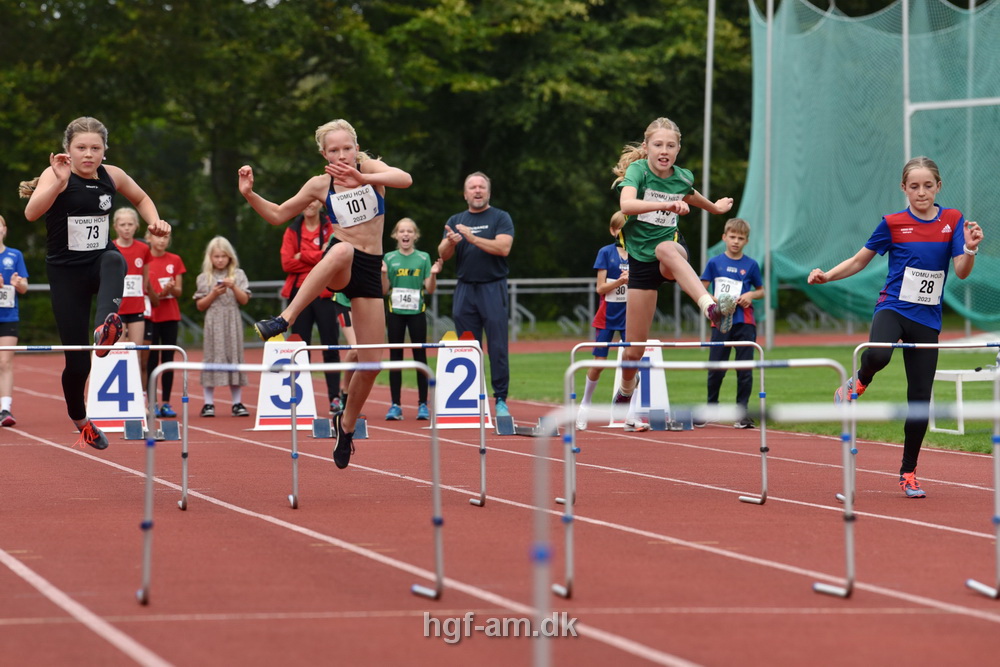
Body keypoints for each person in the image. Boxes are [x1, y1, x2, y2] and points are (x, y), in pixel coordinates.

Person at [238, 118, 412, 469]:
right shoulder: (320, 185)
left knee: (371, 363)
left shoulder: (370, 168)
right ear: (324, 154)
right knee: (342, 249)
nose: (343, 155)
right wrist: (249, 194)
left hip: (369, 270)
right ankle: (284, 318)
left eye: (347, 148)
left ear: (356, 147)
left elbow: (404, 179)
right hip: (341, 263)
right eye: (335, 150)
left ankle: (345, 425)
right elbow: (276, 215)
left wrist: (365, 178)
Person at [808, 156, 984, 499]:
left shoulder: (952, 220)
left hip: (928, 319)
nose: (921, 193)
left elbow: (961, 271)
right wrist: (827, 275)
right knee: (878, 354)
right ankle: (858, 381)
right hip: (893, 307)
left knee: (920, 401)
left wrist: (971, 248)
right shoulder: (892, 223)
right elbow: (860, 259)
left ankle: (908, 472)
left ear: (938, 187)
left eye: (928, 186)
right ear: (903, 188)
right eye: (914, 186)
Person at [19, 116, 171, 449]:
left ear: (104, 150)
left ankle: (106, 328)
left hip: (98, 262)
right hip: (65, 273)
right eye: (81, 148)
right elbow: (31, 213)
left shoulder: (112, 175)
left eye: (95, 148)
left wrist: (155, 221)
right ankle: (82, 420)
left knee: (115, 257)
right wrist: (58, 183)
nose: (88, 154)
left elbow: (142, 199)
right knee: (78, 362)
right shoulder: (55, 173)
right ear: (67, 151)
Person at [611, 117, 737, 426]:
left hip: (671, 258)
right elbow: (626, 205)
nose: (664, 151)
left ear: (678, 149)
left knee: (665, 248)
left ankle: (710, 307)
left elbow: (691, 194)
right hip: (641, 265)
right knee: (633, 353)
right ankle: (627, 388)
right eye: (658, 145)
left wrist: (716, 208)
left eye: (670, 145)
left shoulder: (682, 176)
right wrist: (666, 207)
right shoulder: (638, 172)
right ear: (647, 147)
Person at [437, 172, 514, 418]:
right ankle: (470, 397)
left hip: (493, 287)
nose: (477, 190)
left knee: (498, 347)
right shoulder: (455, 219)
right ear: (465, 193)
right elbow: (443, 254)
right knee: (467, 346)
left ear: (488, 192)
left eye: (482, 187)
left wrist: (472, 237)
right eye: (473, 187)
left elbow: (503, 248)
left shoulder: (500, 217)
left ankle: (500, 399)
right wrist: (450, 242)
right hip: (465, 288)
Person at [699, 218, 765, 429]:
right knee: (716, 367)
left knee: (744, 369)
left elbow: (761, 290)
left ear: (746, 241)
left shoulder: (751, 265)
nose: (736, 241)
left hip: (745, 322)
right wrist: (715, 300)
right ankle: (711, 410)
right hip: (720, 322)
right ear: (724, 238)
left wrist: (750, 295)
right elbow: (701, 288)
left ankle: (742, 414)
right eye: (732, 237)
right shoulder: (714, 262)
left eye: (741, 238)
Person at [281, 198, 344, 415]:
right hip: (299, 293)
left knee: (330, 346)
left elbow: (333, 256)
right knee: (299, 347)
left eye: (313, 202)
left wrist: (304, 256)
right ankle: (301, 398)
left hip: (325, 293)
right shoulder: (292, 230)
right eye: (304, 202)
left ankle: (335, 398)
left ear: (320, 204)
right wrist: (320, 257)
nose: (308, 205)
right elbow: (287, 263)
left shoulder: (331, 227)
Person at [576, 211, 632, 431]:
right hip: (607, 315)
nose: (624, 233)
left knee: (632, 364)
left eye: (629, 228)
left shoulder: (639, 254)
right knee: (599, 363)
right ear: (613, 230)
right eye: (620, 228)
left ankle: (630, 412)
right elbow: (600, 288)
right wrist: (620, 281)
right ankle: (584, 406)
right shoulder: (605, 253)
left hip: (630, 316)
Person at [382, 217, 442, 421]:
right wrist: (382, 273)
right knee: (395, 359)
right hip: (395, 313)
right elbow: (383, 290)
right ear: (395, 235)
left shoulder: (423, 258)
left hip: (417, 313)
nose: (405, 234)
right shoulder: (389, 258)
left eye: (409, 231)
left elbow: (430, 289)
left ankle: (423, 405)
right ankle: (395, 405)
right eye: (402, 231)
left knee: (420, 357)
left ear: (415, 235)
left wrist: (433, 275)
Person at [193, 236, 251, 417]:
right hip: (214, 321)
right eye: (216, 256)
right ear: (210, 258)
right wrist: (213, 294)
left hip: (232, 320)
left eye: (223, 256)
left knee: (234, 356)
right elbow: (200, 305)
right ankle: (208, 403)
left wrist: (233, 287)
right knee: (212, 357)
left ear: (230, 257)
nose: (220, 260)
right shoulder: (204, 278)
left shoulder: (238, 275)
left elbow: (244, 300)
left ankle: (237, 402)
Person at [112, 207, 154, 391]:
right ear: (115, 227)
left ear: (136, 226)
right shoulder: (111, 248)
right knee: (120, 354)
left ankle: (139, 398)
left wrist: (145, 295)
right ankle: (121, 395)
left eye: (130, 224)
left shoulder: (144, 248)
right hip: (118, 309)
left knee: (136, 354)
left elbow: (144, 278)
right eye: (122, 225)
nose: (126, 228)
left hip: (137, 309)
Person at [146, 228, 186, 419]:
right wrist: (161, 291)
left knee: (168, 359)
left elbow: (179, 291)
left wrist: (171, 288)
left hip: (170, 315)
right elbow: (149, 292)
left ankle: (166, 403)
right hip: (151, 316)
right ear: (149, 238)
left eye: (166, 237)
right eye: (158, 236)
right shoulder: (145, 259)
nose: (162, 241)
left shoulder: (175, 260)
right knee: (151, 360)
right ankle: (151, 402)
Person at [0, 214, 30, 427]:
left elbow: (25, 287)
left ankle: (5, 409)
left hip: (9, 316)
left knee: (4, 362)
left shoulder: (15, 254)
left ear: (4, 229)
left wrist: (17, 283)